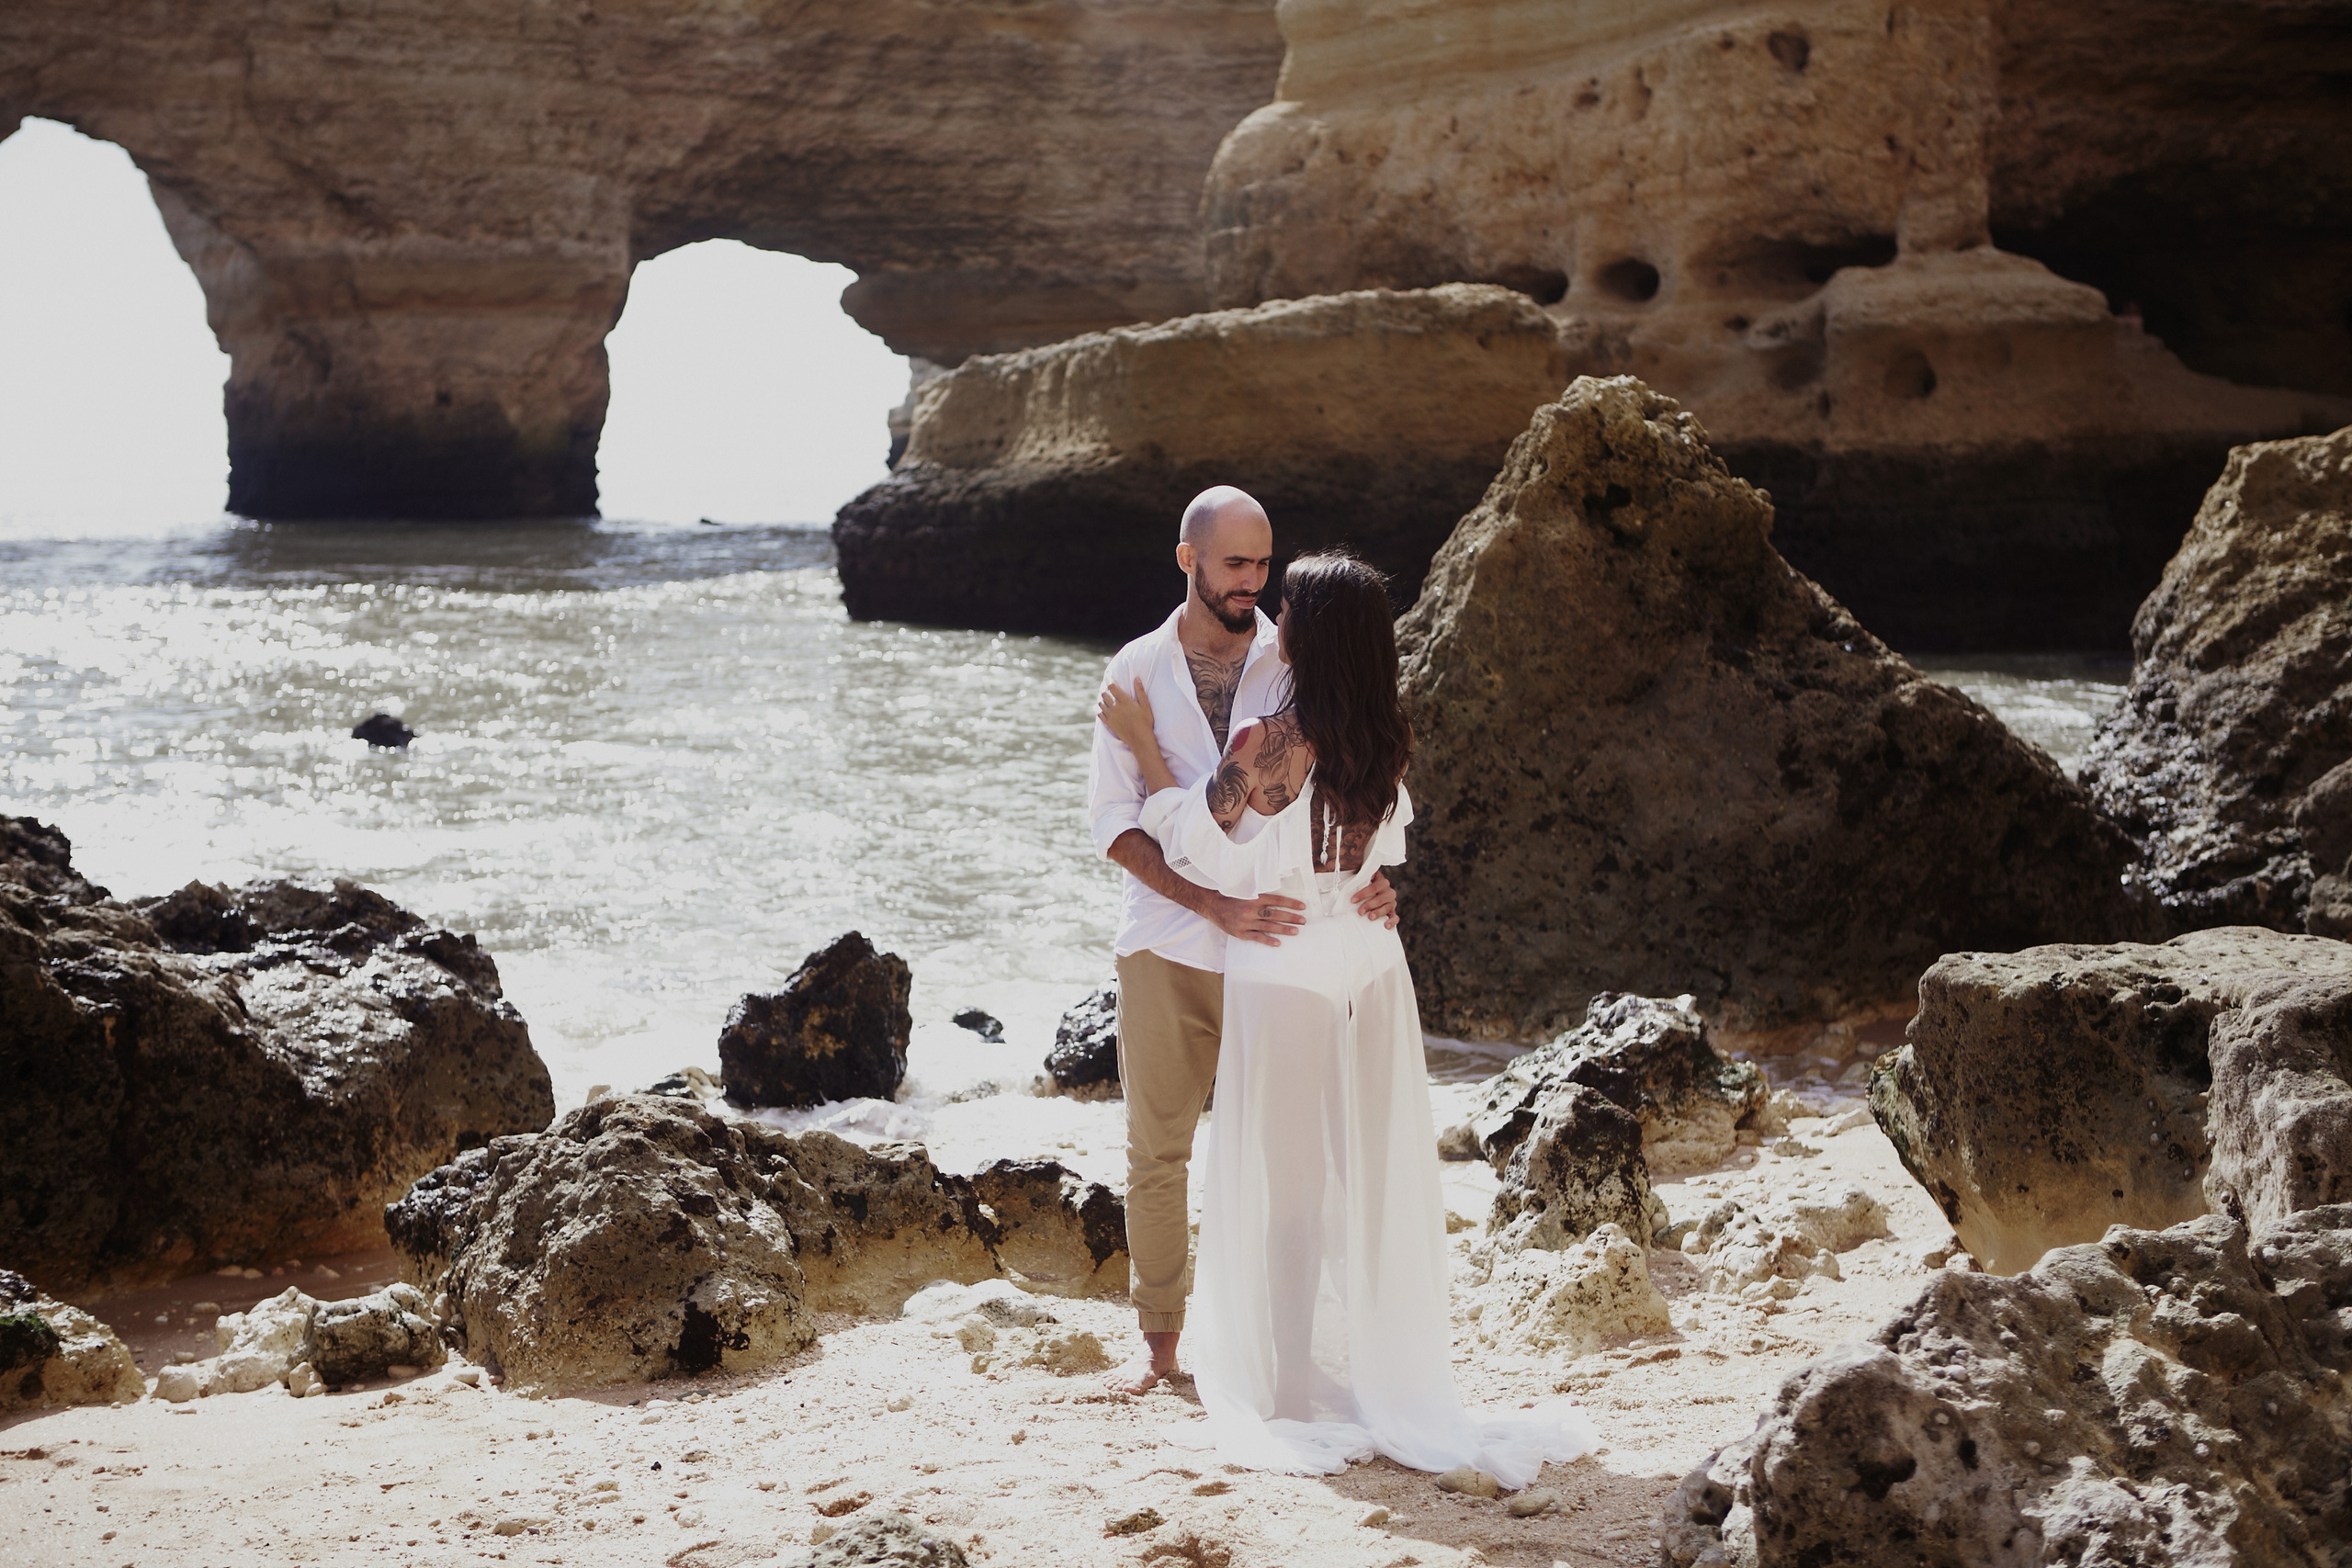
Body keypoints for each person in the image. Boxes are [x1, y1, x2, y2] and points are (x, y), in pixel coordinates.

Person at [1096, 549, 1594, 1483]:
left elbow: (1193, 839)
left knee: (1284, 1184)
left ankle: (1289, 1382)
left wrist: (1143, 742)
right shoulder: (1384, 737)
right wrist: (1370, 888)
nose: (1275, 619)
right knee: (1364, 1166)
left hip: (1285, 960)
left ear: (1313, 635)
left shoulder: (1272, 742)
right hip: (1368, 960)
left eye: (1288, 607)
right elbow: (1377, 856)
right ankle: (1373, 1367)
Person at [1086, 487, 1399, 1396]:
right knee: (1159, 1149)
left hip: (1284, 954)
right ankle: (1161, 1351)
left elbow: (1346, 779)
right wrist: (1210, 906)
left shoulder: (1296, 655)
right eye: (1235, 563)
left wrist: (1370, 878)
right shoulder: (1135, 670)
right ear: (1188, 559)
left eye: (1264, 564)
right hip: (1169, 942)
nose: (1253, 582)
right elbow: (1114, 827)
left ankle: (1287, 1348)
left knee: (1291, 1162)